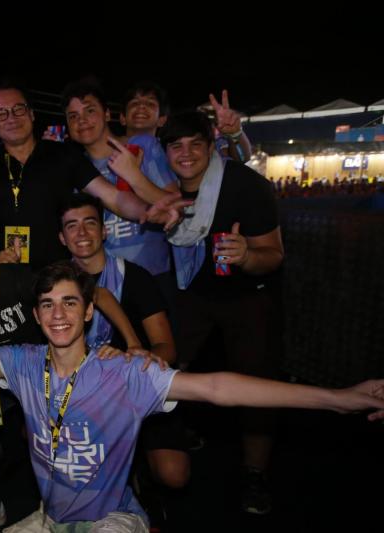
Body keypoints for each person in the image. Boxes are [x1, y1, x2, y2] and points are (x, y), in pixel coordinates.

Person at [0, 262, 384, 532]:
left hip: (110, 521)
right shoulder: (24, 362)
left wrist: (339, 399)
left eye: (70, 302)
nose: (58, 314)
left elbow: (219, 387)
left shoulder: (125, 374)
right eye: (47, 305)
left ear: (90, 311)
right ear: (36, 315)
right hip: (51, 518)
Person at [0, 207, 145, 531]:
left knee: (75, 432)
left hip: (41, 375)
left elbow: (98, 294)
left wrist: (133, 343)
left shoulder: (18, 279)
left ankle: (114, 499)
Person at [161, 110, 284, 514]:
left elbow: (273, 254)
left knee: (256, 387)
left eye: (195, 143)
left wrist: (247, 256)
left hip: (247, 295)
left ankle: (255, 473)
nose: (186, 153)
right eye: (176, 145)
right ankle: (171, 443)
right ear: (165, 153)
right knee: (166, 370)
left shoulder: (245, 185)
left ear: (210, 146)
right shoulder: (165, 192)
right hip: (190, 294)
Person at [0, 82, 186, 270]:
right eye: (1, 113)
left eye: (18, 109)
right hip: (6, 274)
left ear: (31, 113)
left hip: (61, 280)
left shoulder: (64, 155)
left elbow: (113, 197)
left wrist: (148, 211)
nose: (11, 118)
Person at [58, 193, 190, 491]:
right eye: (72, 226)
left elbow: (166, 347)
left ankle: (140, 466)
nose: (82, 233)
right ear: (62, 238)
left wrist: (137, 359)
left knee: (173, 473)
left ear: (104, 231)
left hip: (136, 382)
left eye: (90, 223)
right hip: (84, 392)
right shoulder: (55, 284)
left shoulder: (135, 277)